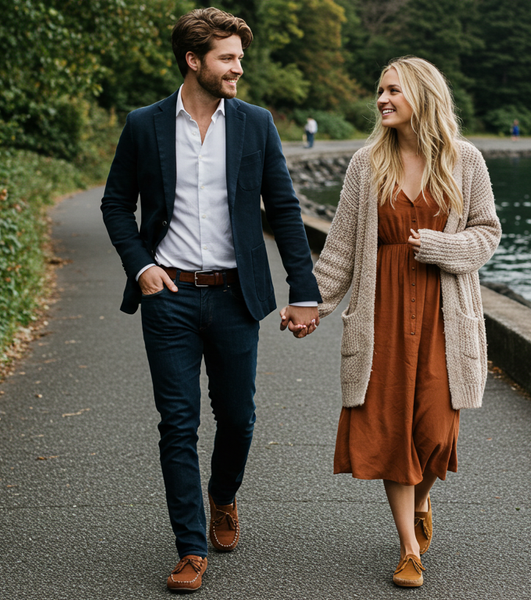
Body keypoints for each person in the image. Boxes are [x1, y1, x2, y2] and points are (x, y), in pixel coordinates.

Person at [99, 7, 321, 594]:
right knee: (177, 423)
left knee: (238, 417)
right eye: (227, 58)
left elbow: (285, 210)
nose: (238, 68)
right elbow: (116, 204)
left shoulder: (255, 123)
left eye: (240, 58)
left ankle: (223, 495)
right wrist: (141, 267)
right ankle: (190, 548)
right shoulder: (144, 124)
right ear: (193, 60)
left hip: (234, 296)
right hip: (168, 296)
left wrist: (304, 291)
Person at [288, 55, 500, 587]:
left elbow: (487, 233)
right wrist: (311, 303)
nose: (382, 99)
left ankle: (423, 500)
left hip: (443, 318)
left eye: (393, 91)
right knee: (389, 431)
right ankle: (408, 548)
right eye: (380, 90)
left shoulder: (465, 160)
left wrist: (441, 246)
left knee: (435, 431)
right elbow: (340, 249)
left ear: (423, 97)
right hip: (380, 318)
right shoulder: (367, 164)